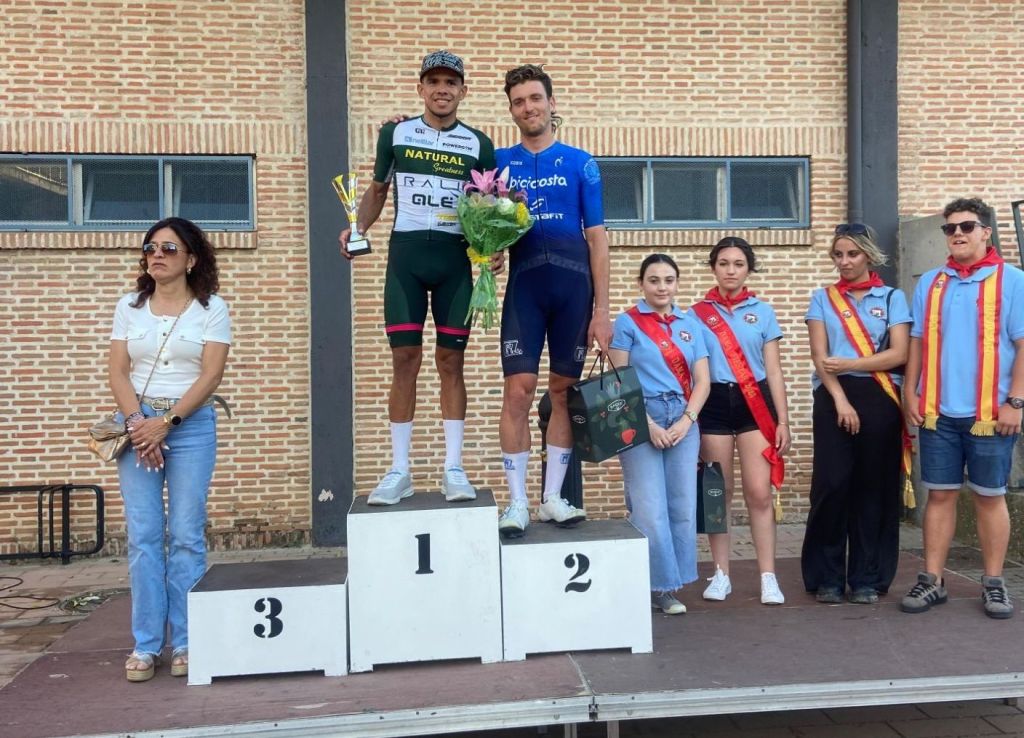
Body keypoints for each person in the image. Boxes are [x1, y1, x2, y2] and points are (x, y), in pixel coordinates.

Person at [339, 50, 497, 505]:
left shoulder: (479, 143)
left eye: (450, 82)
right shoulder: (396, 133)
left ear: (463, 91)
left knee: (451, 362)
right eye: (434, 81)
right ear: (420, 88)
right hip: (405, 257)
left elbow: (486, 206)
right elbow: (378, 190)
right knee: (404, 359)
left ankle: (454, 468)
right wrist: (357, 229)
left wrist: (491, 252)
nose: (442, 90)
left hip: (454, 261)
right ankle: (399, 469)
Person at [108, 217, 230, 682]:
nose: (156, 255)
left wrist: (166, 424)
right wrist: (139, 425)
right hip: (137, 426)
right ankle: (145, 645)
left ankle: (187, 642)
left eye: (169, 248)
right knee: (143, 536)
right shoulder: (129, 306)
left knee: (184, 534)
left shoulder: (211, 309)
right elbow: (118, 372)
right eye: (150, 248)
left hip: (189, 427)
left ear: (192, 259)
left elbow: (211, 375)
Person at [494, 64, 612, 537]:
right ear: (511, 110)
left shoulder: (581, 163)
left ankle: (553, 499)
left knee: (562, 392)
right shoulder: (499, 161)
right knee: (518, 390)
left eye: (535, 98)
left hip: (574, 289)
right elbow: (478, 211)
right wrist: (489, 251)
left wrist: (602, 311)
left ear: (551, 102)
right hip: (525, 286)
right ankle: (516, 503)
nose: (529, 107)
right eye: (519, 101)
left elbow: (598, 238)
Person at [901, 197, 1022, 619]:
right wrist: (909, 391)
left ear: (986, 231)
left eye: (966, 226)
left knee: (990, 497)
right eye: (950, 228)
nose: (957, 234)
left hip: (992, 415)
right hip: (938, 412)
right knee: (939, 495)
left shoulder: (1013, 281)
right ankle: (932, 580)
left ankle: (994, 583)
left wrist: (1016, 401)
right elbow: (917, 341)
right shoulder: (931, 282)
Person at [802, 224, 911, 604]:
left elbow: (899, 354)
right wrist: (840, 400)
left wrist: (852, 362)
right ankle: (827, 577)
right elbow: (820, 357)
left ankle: (868, 577)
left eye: (852, 254)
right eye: (838, 254)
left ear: (868, 255)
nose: (845, 261)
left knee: (873, 487)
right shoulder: (822, 298)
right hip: (833, 394)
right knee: (832, 484)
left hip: (880, 395)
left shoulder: (893, 297)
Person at [690, 237, 791, 605]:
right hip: (713, 403)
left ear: (748, 269)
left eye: (738, 264)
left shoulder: (762, 312)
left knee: (759, 492)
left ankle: (768, 577)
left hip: (755, 404)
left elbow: (774, 371)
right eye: (723, 263)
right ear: (713, 267)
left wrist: (783, 420)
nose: (730, 270)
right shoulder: (695, 315)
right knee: (719, 493)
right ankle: (721, 574)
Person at [608, 254, 710, 614]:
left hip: (683, 417)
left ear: (677, 283)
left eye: (668, 280)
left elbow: (703, 380)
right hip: (640, 416)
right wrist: (648, 425)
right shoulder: (627, 323)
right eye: (653, 280)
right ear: (641, 284)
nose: (662, 287)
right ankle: (658, 586)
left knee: (681, 504)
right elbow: (618, 381)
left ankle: (674, 581)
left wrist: (686, 420)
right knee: (649, 506)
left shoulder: (690, 324)